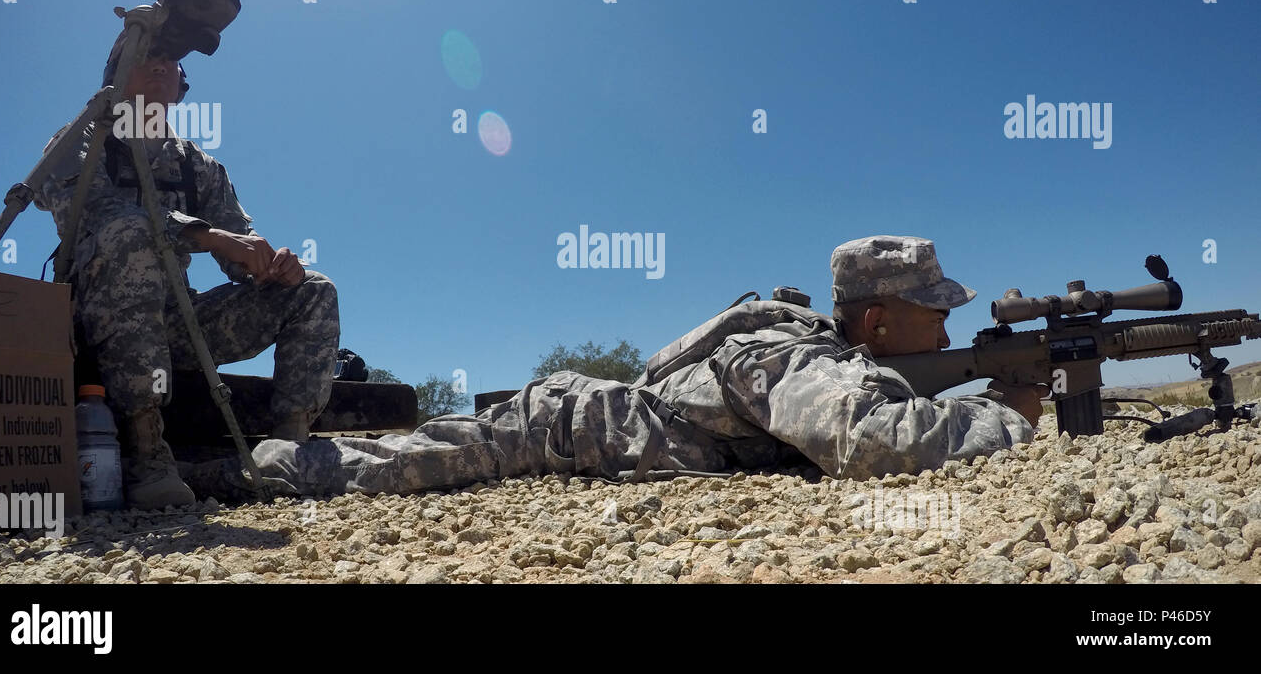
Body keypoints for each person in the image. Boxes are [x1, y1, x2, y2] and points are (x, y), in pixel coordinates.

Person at [189, 235, 1045, 501]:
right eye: (936, 311)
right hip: (561, 425)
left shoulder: (833, 354)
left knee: (411, 455)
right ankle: (238, 471)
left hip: (588, 423)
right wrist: (1012, 410)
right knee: (397, 463)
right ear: (876, 317)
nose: (945, 327)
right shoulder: (792, 354)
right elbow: (870, 441)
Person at [34, 31, 341, 509]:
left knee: (314, 290)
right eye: (145, 56)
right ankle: (146, 455)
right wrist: (208, 236)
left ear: (182, 85)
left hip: (174, 324)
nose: (159, 65)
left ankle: (289, 446)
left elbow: (238, 250)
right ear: (114, 78)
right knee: (130, 237)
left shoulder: (199, 167)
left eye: (169, 59)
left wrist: (271, 267)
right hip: (90, 323)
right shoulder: (83, 139)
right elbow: (100, 215)